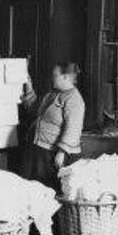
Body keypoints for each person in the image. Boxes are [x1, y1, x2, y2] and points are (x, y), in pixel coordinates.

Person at [20, 61, 86, 190]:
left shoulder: (74, 99)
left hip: (49, 153)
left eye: (55, 75)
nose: (52, 78)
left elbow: (73, 129)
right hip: (35, 147)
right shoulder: (52, 94)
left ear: (65, 77)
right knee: (28, 186)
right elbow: (34, 108)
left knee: (45, 189)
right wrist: (29, 88)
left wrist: (61, 153)